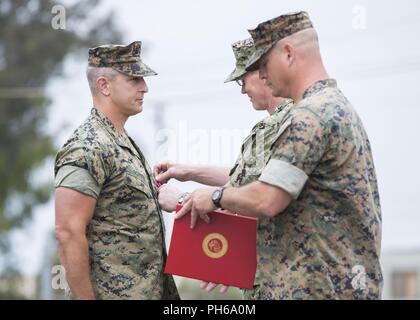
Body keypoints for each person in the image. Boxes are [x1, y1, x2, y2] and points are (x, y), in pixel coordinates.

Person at [173, 12, 383, 299]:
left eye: (263, 64)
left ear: (288, 53)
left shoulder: (311, 115)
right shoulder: (332, 106)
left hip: (317, 288)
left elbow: (266, 199)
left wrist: (213, 197)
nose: (260, 76)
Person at [54, 41, 179, 300]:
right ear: (104, 85)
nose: (145, 87)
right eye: (134, 79)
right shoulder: (87, 146)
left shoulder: (121, 141)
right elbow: (68, 231)